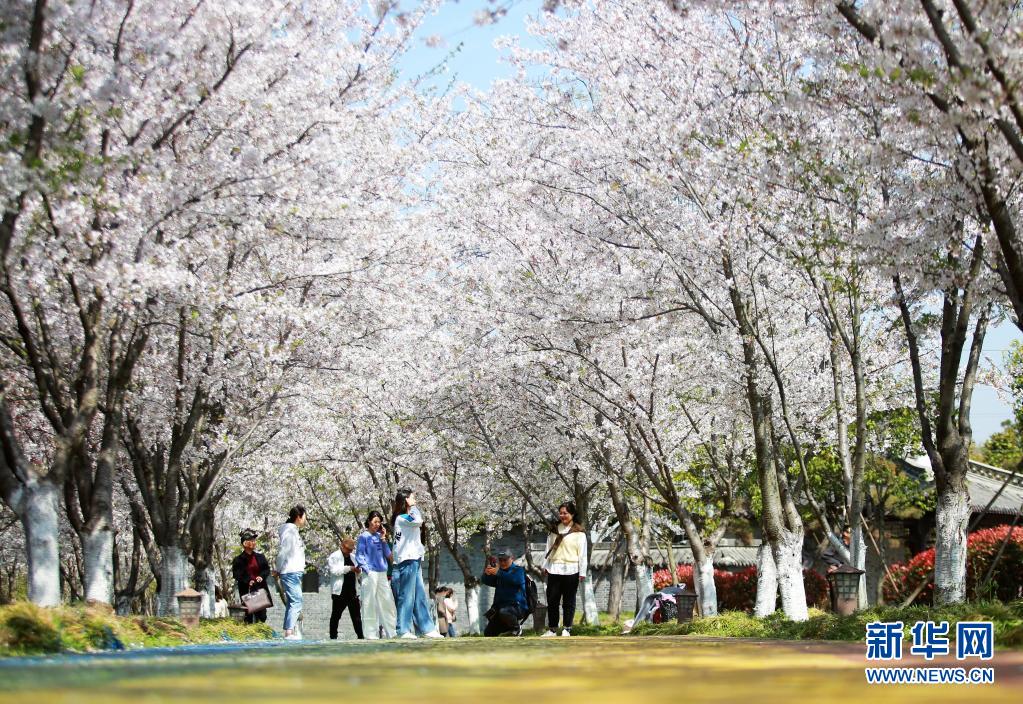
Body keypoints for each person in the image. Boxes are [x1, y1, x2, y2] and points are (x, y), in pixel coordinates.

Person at [391, 488, 443, 639]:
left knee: (419, 595)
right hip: (407, 559)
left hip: (414, 559)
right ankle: (403, 629)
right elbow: (418, 521)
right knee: (407, 596)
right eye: (412, 497)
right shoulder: (402, 518)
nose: (415, 500)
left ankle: (427, 628)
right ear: (406, 500)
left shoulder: (404, 517)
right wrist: (413, 507)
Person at [541, 501, 587, 637]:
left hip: (571, 569)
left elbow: (582, 554)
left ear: (572, 514)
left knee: (569, 601)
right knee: (552, 600)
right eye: (560, 513)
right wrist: (545, 566)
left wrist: (582, 572)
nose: (562, 516)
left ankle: (567, 628)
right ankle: (552, 629)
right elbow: (548, 549)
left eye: (565, 513)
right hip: (554, 568)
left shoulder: (579, 533)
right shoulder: (554, 530)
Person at [355, 510, 398, 639]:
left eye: (379, 522)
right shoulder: (364, 536)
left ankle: (392, 632)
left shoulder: (380, 536)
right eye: (375, 522)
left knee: (387, 602)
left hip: (382, 573)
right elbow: (359, 555)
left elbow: (388, 554)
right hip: (370, 573)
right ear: (369, 521)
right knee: (369, 603)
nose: (377, 524)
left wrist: (384, 539)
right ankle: (370, 633)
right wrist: (367, 570)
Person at [276, 505, 308, 640]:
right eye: (304, 517)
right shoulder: (289, 531)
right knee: (296, 600)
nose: (305, 520)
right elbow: (283, 551)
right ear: (298, 517)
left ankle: (290, 631)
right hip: (290, 571)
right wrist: (278, 568)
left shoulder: (293, 530)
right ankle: (289, 632)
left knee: (292, 602)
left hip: (294, 571)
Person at [481, 549, 528, 637]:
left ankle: (517, 629)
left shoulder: (518, 570)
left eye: (505, 560)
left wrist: (498, 572)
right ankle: (510, 629)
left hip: (517, 607)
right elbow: (486, 581)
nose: (502, 562)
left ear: (512, 558)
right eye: (500, 560)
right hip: (501, 610)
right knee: (488, 633)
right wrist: (487, 573)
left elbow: (514, 580)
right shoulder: (499, 572)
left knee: (504, 612)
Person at [231, 528, 273, 624]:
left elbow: (266, 569)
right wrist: (248, 580)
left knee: (262, 616)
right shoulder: (238, 560)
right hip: (247, 590)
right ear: (245, 543)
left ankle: (260, 630)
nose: (254, 543)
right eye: (251, 541)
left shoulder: (260, 557)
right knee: (248, 615)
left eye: (254, 541)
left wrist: (261, 576)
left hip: (259, 589)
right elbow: (237, 574)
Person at [328, 537, 364, 640]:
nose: (349, 551)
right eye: (348, 549)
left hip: (352, 591)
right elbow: (334, 571)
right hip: (340, 592)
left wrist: (358, 571)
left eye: (351, 550)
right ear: (342, 546)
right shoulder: (334, 556)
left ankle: (361, 636)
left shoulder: (353, 557)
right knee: (336, 616)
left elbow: (358, 571)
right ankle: (333, 637)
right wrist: (349, 568)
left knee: (356, 616)